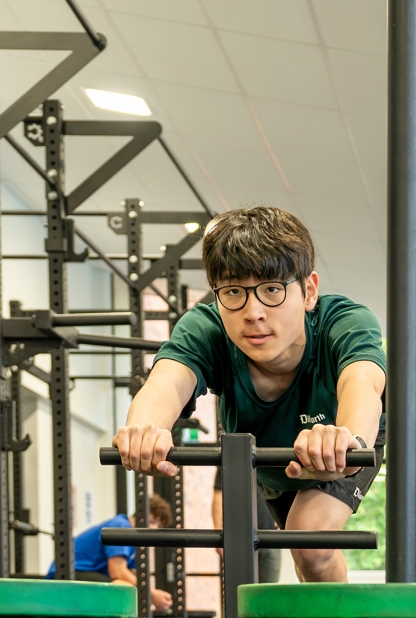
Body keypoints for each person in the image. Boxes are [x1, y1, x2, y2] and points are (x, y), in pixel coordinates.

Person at [113, 206, 386, 583]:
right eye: (233, 292)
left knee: (310, 543)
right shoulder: (206, 328)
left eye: (272, 289)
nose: (252, 312)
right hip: (272, 461)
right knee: (293, 549)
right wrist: (143, 428)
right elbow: (167, 382)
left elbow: (364, 383)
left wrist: (349, 438)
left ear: (308, 291)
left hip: (343, 436)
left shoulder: (344, 322)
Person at [51, 494, 174, 610]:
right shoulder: (121, 525)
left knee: (133, 592)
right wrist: (151, 593)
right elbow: (117, 572)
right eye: (152, 522)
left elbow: (134, 575)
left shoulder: (136, 542)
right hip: (66, 573)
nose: (154, 529)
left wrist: (152, 594)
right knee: (124, 588)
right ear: (140, 514)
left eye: (158, 526)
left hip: (89, 574)